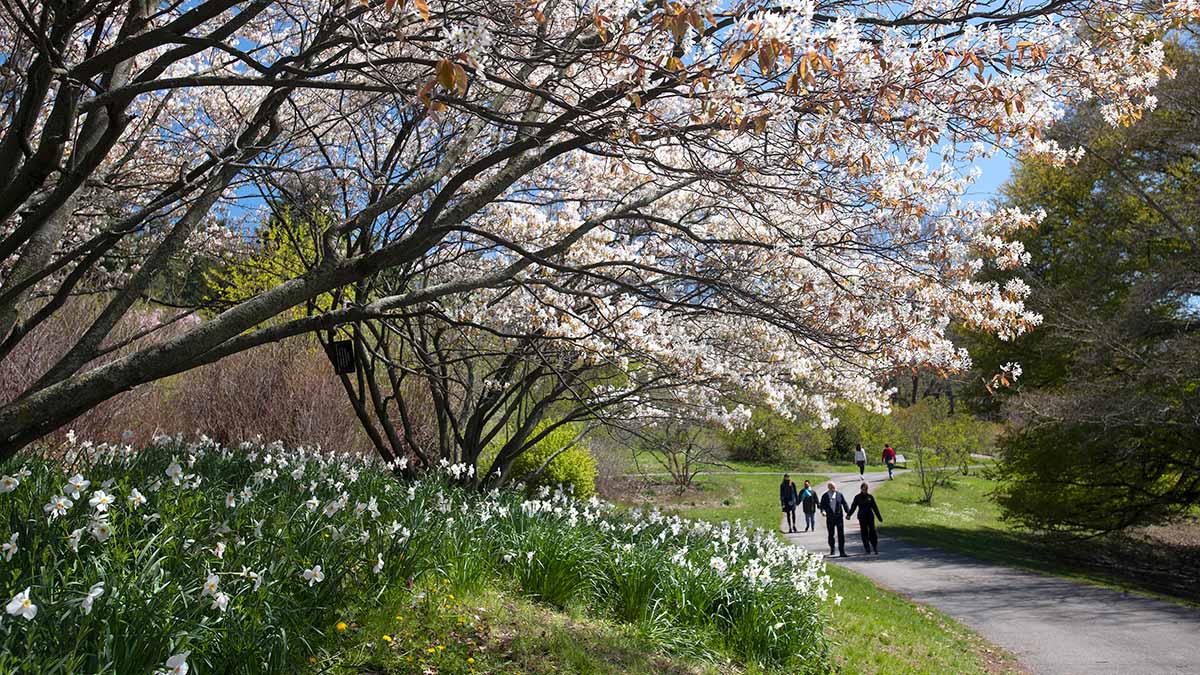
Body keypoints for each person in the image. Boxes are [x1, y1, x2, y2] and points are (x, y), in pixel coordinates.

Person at [847, 482, 884, 554]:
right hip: (862, 517)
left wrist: (879, 517)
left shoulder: (870, 497)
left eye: (866, 489)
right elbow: (853, 507)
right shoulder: (857, 497)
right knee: (864, 532)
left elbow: (875, 507)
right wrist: (849, 515)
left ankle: (875, 546)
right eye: (864, 489)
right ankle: (867, 548)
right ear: (861, 489)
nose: (865, 490)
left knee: (872, 531)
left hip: (870, 516)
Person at [819, 481, 850, 557]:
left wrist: (848, 513)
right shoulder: (825, 496)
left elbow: (844, 504)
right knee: (831, 534)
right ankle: (832, 549)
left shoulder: (839, 495)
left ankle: (842, 551)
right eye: (832, 487)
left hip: (839, 517)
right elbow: (821, 506)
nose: (834, 489)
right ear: (829, 488)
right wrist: (823, 511)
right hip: (830, 518)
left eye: (835, 487)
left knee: (841, 535)